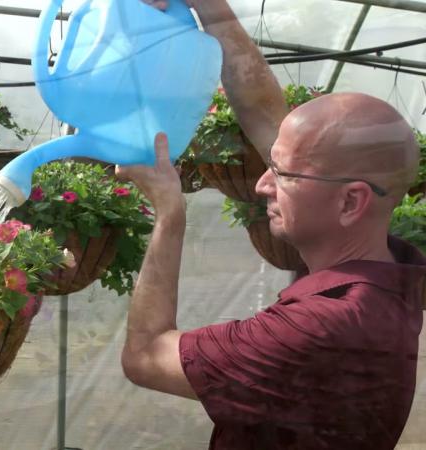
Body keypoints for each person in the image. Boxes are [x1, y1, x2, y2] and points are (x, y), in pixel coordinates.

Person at [116, 0, 426, 448]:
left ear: (349, 202)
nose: (261, 184)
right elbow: (262, 111)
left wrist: (169, 213)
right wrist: (208, 6)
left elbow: (145, 356)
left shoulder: (324, 327)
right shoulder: (388, 275)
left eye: (281, 174)